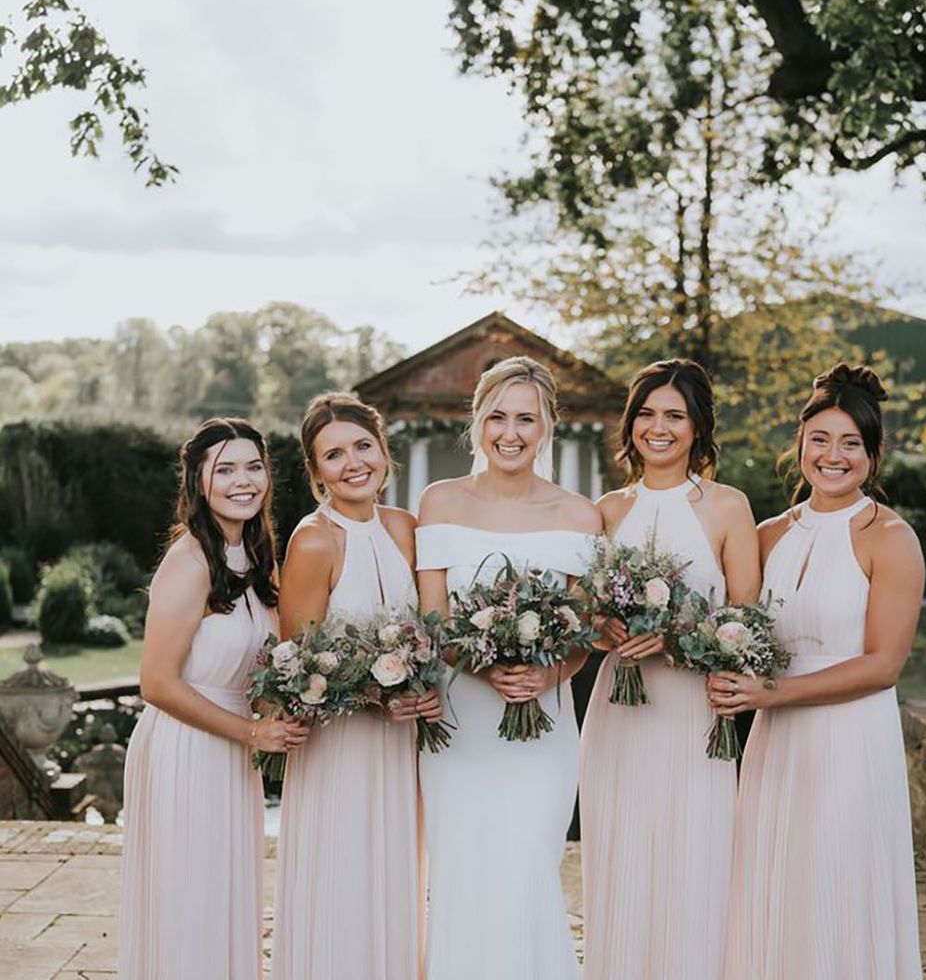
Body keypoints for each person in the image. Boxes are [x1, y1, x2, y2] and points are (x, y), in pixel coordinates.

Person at [710, 363, 924, 980]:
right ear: (800, 446)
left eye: (851, 443)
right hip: (776, 744)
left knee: (837, 884)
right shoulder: (769, 534)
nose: (834, 456)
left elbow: (884, 665)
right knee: (774, 879)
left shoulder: (890, 537)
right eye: (821, 440)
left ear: (874, 453)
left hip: (850, 741)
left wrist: (771, 692)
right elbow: (737, 629)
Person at [416, 355, 602, 980]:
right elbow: (435, 623)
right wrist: (481, 664)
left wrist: (550, 675)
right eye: (497, 416)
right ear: (477, 423)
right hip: (460, 724)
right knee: (463, 866)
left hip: (543, 725)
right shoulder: (438, 502)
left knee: (527, 864)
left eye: (526, 417)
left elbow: (583, 634)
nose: (511, 432)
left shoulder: (580, 515)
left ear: (548, 425)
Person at [579, 359, 760, 980]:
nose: (659, 428)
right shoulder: (604, 510)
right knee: (621, 854)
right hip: (619, 713)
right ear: (631, 425)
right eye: (647, 414)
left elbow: (747, 623)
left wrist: (677, 640)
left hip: (693, 714)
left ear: (697, 426)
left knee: (695, 856)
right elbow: (586, 610)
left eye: (674, 416)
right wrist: (604, 627)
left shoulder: (728, 506)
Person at [120, 418, 305, 980]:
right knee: (190, 900)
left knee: (225, 895)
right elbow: (156, 682)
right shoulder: (191, 560)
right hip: (185, 749)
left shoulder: (254, 558)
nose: (242, 481)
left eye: (253, 467)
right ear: (199, 482)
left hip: (231, 753)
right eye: (225, 469)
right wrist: (252, 732)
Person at [270, 392, 440, 980]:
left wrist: (425, 685)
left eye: (362, 446)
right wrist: (375, 694)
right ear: (316, 472)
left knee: (393, 874)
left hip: (399, 749)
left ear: (383, 449)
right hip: (339, 751)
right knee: (340, 874)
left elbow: (431, 632)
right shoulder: (313, 541)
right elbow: (295, 668)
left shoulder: (406, 528)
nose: (353, 463)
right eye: (334, 455)